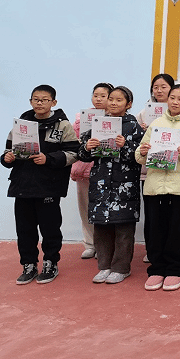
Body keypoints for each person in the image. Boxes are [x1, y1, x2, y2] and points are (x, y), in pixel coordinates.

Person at [1, 85, 79, 284]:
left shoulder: (63, 126)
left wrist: (48, 159)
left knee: (50, 228)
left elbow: (73, 153)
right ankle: (28, 265)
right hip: (22, 186)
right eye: (36, 99)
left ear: (53, 102)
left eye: (44, 100)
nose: (39, 103)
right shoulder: (21, 125)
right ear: (30, 102)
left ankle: (50, 263)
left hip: (49, 186)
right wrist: (7, 158)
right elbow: (8, 151)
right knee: (24, 229)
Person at [136, 84, 180, 291]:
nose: (175, 102)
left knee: (177, 229)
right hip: (154, 185)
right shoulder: (156, 123)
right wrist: (143, 151)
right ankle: (157, 269)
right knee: (155, 229)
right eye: (172, 98)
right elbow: (139, 155)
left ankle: (176, 269)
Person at [77, 86, 145, 284]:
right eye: (111, 99)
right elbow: (81, 153)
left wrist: (126, 146)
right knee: (101, 227)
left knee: (123, 228)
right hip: (100, 184)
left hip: (124, 186)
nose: (113, 103)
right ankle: (104, 266)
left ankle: (121, 268)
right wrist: (87, 147)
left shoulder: (133, 127)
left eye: (119, 100)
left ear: (128, 104)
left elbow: (140, 155)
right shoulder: (97, 124)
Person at [135, 73, 175, 264]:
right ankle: (151, 248)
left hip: (173, 171)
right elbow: (136, 142)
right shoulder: (143, 113)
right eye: (155, 87)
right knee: (152, 214)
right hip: (149, 172)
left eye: (163, 87)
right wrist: (142, 131)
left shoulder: (178, 112)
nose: (159, 90)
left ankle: (168, 248)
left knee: (169, 213)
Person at [72, 82, 113, 259]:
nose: (98, 99)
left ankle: (105, 245)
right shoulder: (81, 118)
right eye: (96, 95)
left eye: (103, 96)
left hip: (106, 171)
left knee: (105, 209)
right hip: (83, 170)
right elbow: (73, 142)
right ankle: (90, 244)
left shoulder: (116, 119)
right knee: (85, 208)